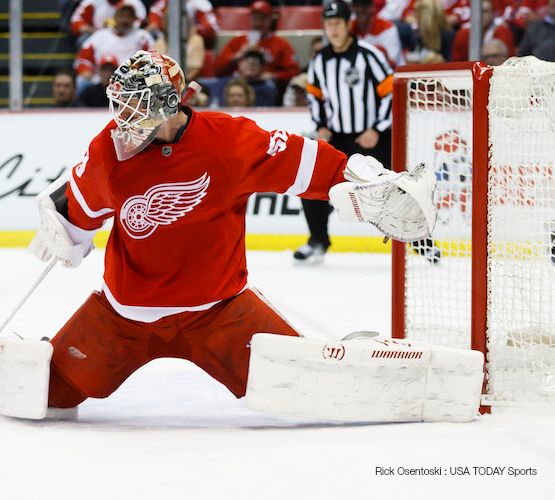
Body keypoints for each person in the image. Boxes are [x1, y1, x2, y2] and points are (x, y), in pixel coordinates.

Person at [24, 50, 434, 418]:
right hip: (124, 315)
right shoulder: (107, 151)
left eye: (136, 106)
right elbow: (76, 209)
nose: (123, 118)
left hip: (222, 313)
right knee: (48, 393)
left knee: (312, 390)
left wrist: (365, 181)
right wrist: (61, 228)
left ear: (168, 104)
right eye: (122, 105)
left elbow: (307, 162)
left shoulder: (229, 142)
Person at [295, 0, 395, 263]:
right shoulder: (320, 60)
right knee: (312, 183)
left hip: (374, 139)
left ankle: (421, 242)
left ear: (348, 24)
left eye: (338, 23)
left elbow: (391, 93)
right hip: (339, 138)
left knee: (395, 192)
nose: (333, 29)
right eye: (329, 24)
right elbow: (314, 96)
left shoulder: (368, 54)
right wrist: (321, 126)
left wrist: (377, 128)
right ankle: (318, 239)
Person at [214, 1, 299, 92]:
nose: (258, 23)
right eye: (255, 19)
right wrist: (236, 56)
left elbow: (294, 72)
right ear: (250, 18)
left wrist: (273, 76)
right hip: (239, 85)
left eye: (263, 19)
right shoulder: (238, 41)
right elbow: (217, 70)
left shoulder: (281, 43)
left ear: (270, 19)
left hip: (265, 86)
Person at [73, 2, 153, 91]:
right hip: (99, 82)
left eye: (129, 17)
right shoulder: (99, 36)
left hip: (131, 83)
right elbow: (83, 58)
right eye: (122, 16)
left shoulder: (142, 37)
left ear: (134, 19)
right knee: (81, 81)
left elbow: (153, 58)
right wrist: (86, 71)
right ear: (115, 17)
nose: (125, 20)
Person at [351, 0, 406, 67]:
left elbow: (392, 63)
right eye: (357, 6)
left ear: (372, 7)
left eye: (365, 5)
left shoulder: (387, 27)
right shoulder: (349, 28)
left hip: (391, 73)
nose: (361, 9)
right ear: (353, 8)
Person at [70, 0, 147, 47]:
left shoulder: (133, 2)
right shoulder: (93, 1)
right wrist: (84, 28)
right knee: (84, 39)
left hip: (128, 36)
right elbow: (76, 20)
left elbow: (140, 21)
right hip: (99, 36)